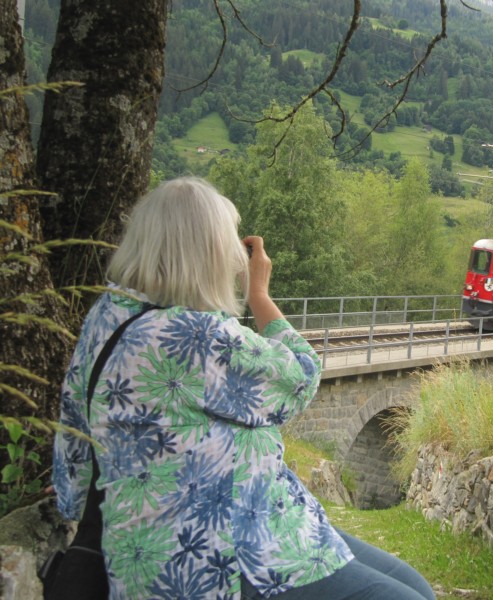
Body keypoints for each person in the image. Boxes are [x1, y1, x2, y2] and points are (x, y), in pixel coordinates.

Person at [52, 177, 435, 600]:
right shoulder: (195, 335)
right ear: (207, 254)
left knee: (414, 587)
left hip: (164, 546)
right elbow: (301, 377)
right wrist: (259, 295)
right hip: (225, 555)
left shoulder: (107, 315)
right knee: (410, 597)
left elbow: (74, 447)